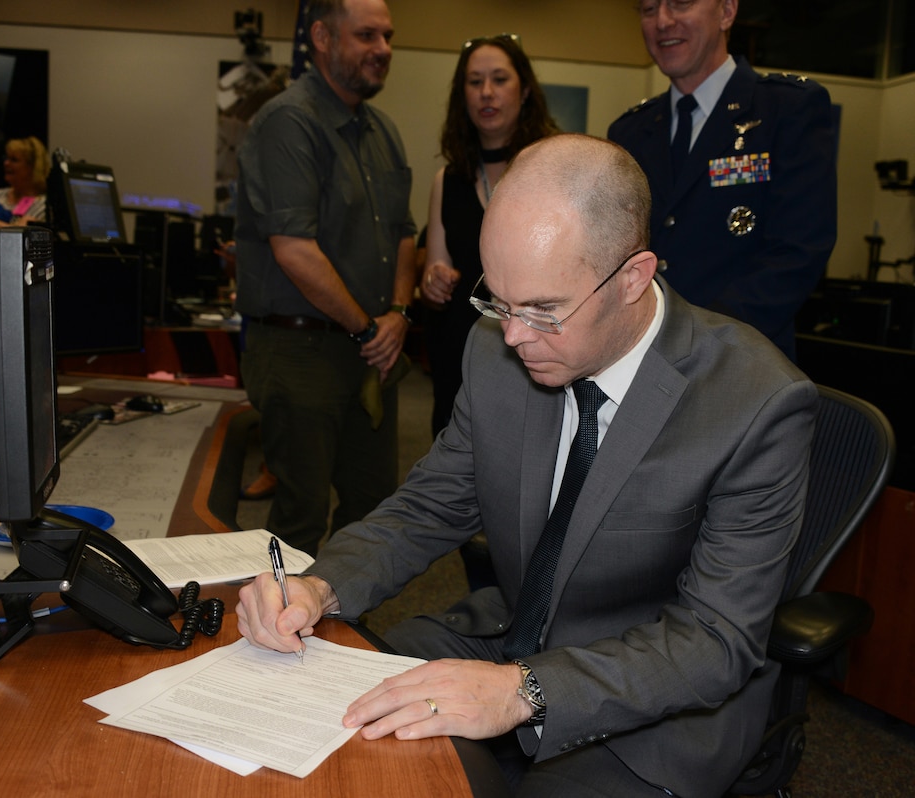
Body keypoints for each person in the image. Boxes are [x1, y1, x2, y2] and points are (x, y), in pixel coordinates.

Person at [237, 134, 818, 797]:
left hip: (656, 703)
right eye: (499, 301)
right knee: (322, 730)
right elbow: (430, 505)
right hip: (511, 634)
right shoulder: (497, 350)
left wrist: (525, 691)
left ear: (634, 277)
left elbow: (715, 639)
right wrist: (320, 586)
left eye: (543, 310)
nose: (512, 335)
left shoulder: (755, 402)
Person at [234, 0, 417, 556]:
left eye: (387, 37)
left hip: (369, 350)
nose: (382, 50)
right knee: (300, 518)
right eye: (366, 36)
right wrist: (370, 328)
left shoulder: (382, 130)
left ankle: (338, 626)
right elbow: (294, 250)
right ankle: (280, 635)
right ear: (320, 36)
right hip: (299, 352)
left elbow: (405, 235)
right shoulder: (288, 123)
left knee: (374, 506)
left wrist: (399, 315)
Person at [607, 0, 836, 361]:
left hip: (742, 360)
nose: (662, 21)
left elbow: (798, 251)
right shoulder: (631, 131)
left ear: (727, 12)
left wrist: (697, 338)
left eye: (680, 4)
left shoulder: (786, 110)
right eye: (649, 9)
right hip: (641, 357)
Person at [422, 34, 558, 436]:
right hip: (461, 356)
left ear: (526, 89)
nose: (486, 92)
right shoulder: (447, 179)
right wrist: (433, 279)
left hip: (535, 355)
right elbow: (436, 265)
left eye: (499, 79)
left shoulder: (555, 165)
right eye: (474, 81)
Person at [0, 136, 50, 227]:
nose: (6, 163)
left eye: (14, 160)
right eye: (6, 158)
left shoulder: (44, 207)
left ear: (33, 166)